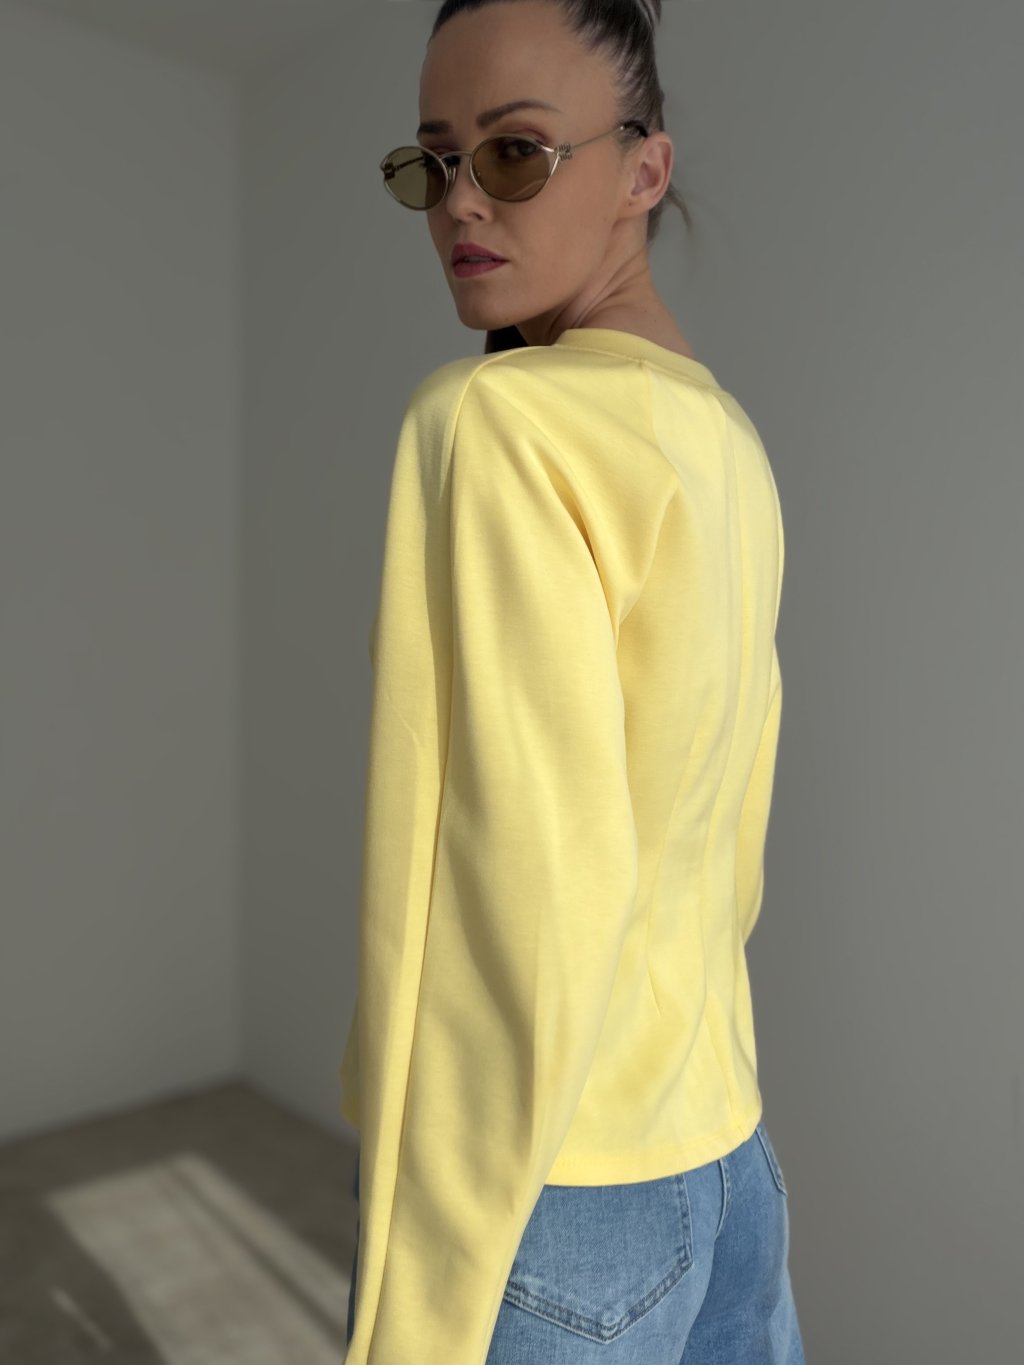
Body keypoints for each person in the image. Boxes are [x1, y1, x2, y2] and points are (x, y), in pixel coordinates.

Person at [339, 1, 806, 1361]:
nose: (459, 203)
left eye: (515, 153)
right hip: (726, 1155)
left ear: (644, 168)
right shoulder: (728, 443)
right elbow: (725, 843)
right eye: (434, 162)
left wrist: (419, 1296)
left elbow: (508, 907)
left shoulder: (493, 419)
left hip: (558, 1194)